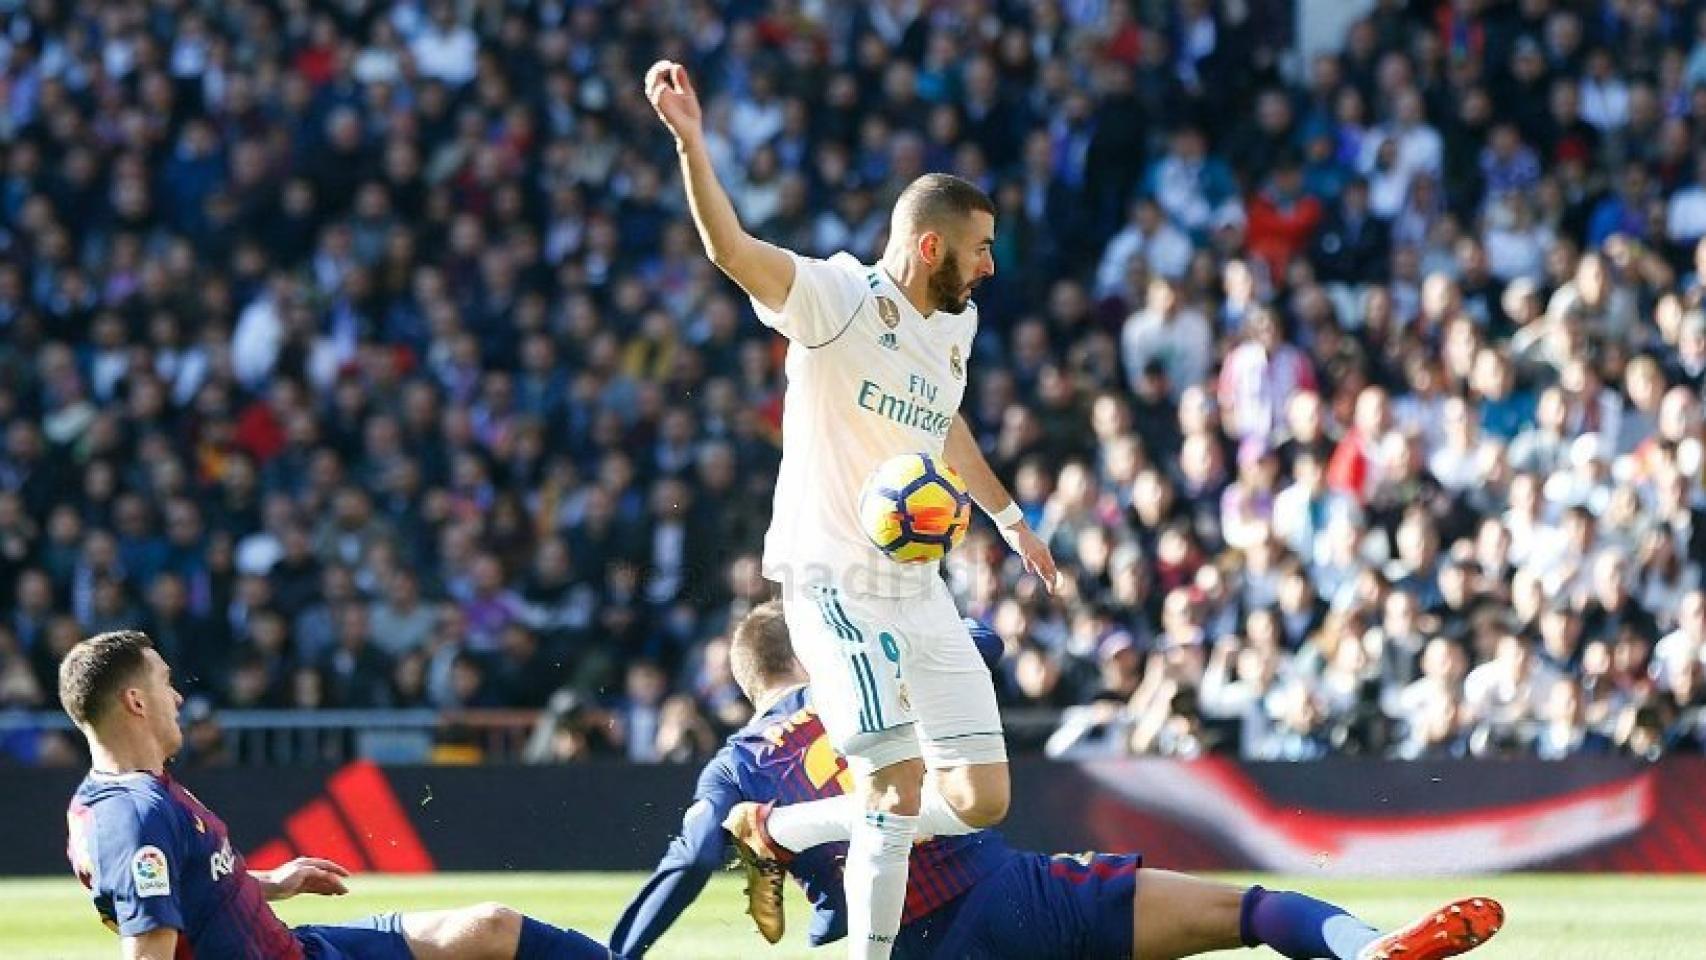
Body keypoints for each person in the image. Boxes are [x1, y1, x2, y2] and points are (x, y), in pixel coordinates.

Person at [645, 60, 1059, 959]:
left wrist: (1009, 518)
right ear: (929, 246)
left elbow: (945, 431)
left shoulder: (955, 327)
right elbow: (731, 251)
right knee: (898, 785)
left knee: (984, 795)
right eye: (981, 248)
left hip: (916, 583)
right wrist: (692, 145)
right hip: (832, 581)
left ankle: (779, 830)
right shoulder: (837, 299)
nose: (992, 265)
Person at [612, 602, 1504, 960]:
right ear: (808, 654)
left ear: (742, 682)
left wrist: (619, 954)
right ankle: (1360, 948)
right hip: (1005, 893)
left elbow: (686, 866)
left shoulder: (735, 765)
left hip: (896, 946)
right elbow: (987, 645)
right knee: (1246, 910)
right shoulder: (864, 680)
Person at [59, 630, 614, 960]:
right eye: (165, 683)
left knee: (493, 925)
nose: (177, 697)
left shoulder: (116, 798)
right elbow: (149, 948)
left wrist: (270, 882)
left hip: (302, 947)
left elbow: (183, 887)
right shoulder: (135, 814)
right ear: (136, 702)